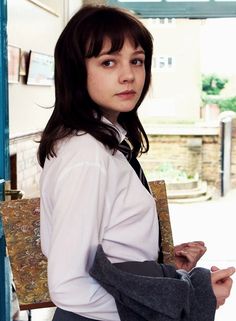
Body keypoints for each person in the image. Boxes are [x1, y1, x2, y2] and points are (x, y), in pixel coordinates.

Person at [38, 5, 235, 321]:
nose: (128, 74)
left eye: (137, 61)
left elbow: (112, 255)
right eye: (108, 62)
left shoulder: (102, 144)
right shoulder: (87, 155)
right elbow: (69, 283)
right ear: (77, 70)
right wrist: (186, 295)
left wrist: (164, 272)